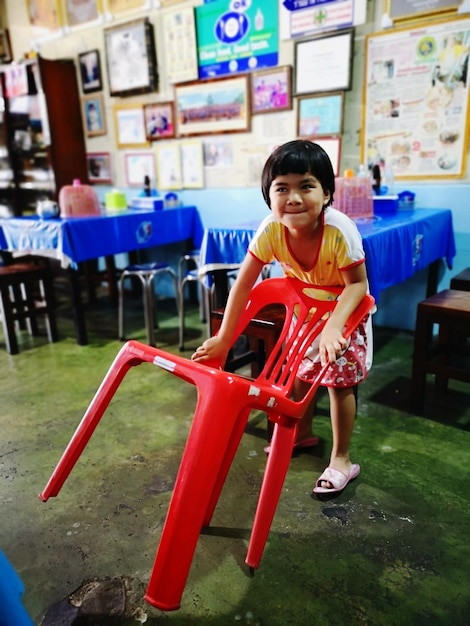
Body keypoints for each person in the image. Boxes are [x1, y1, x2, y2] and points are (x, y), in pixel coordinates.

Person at [192, 140, 372, 495]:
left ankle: (341, 458)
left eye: (306, 186)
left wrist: (334, 327)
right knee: (300, 376)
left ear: (327, 194)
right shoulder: (270, 229)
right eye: (281, 187)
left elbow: (357, 285)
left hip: (345, 314)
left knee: (339, 384)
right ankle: (301, 435)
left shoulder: (340, 231)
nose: (293, 197)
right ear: (268, 195)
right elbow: (243, 283)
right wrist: (225, 339)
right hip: (306, 314)